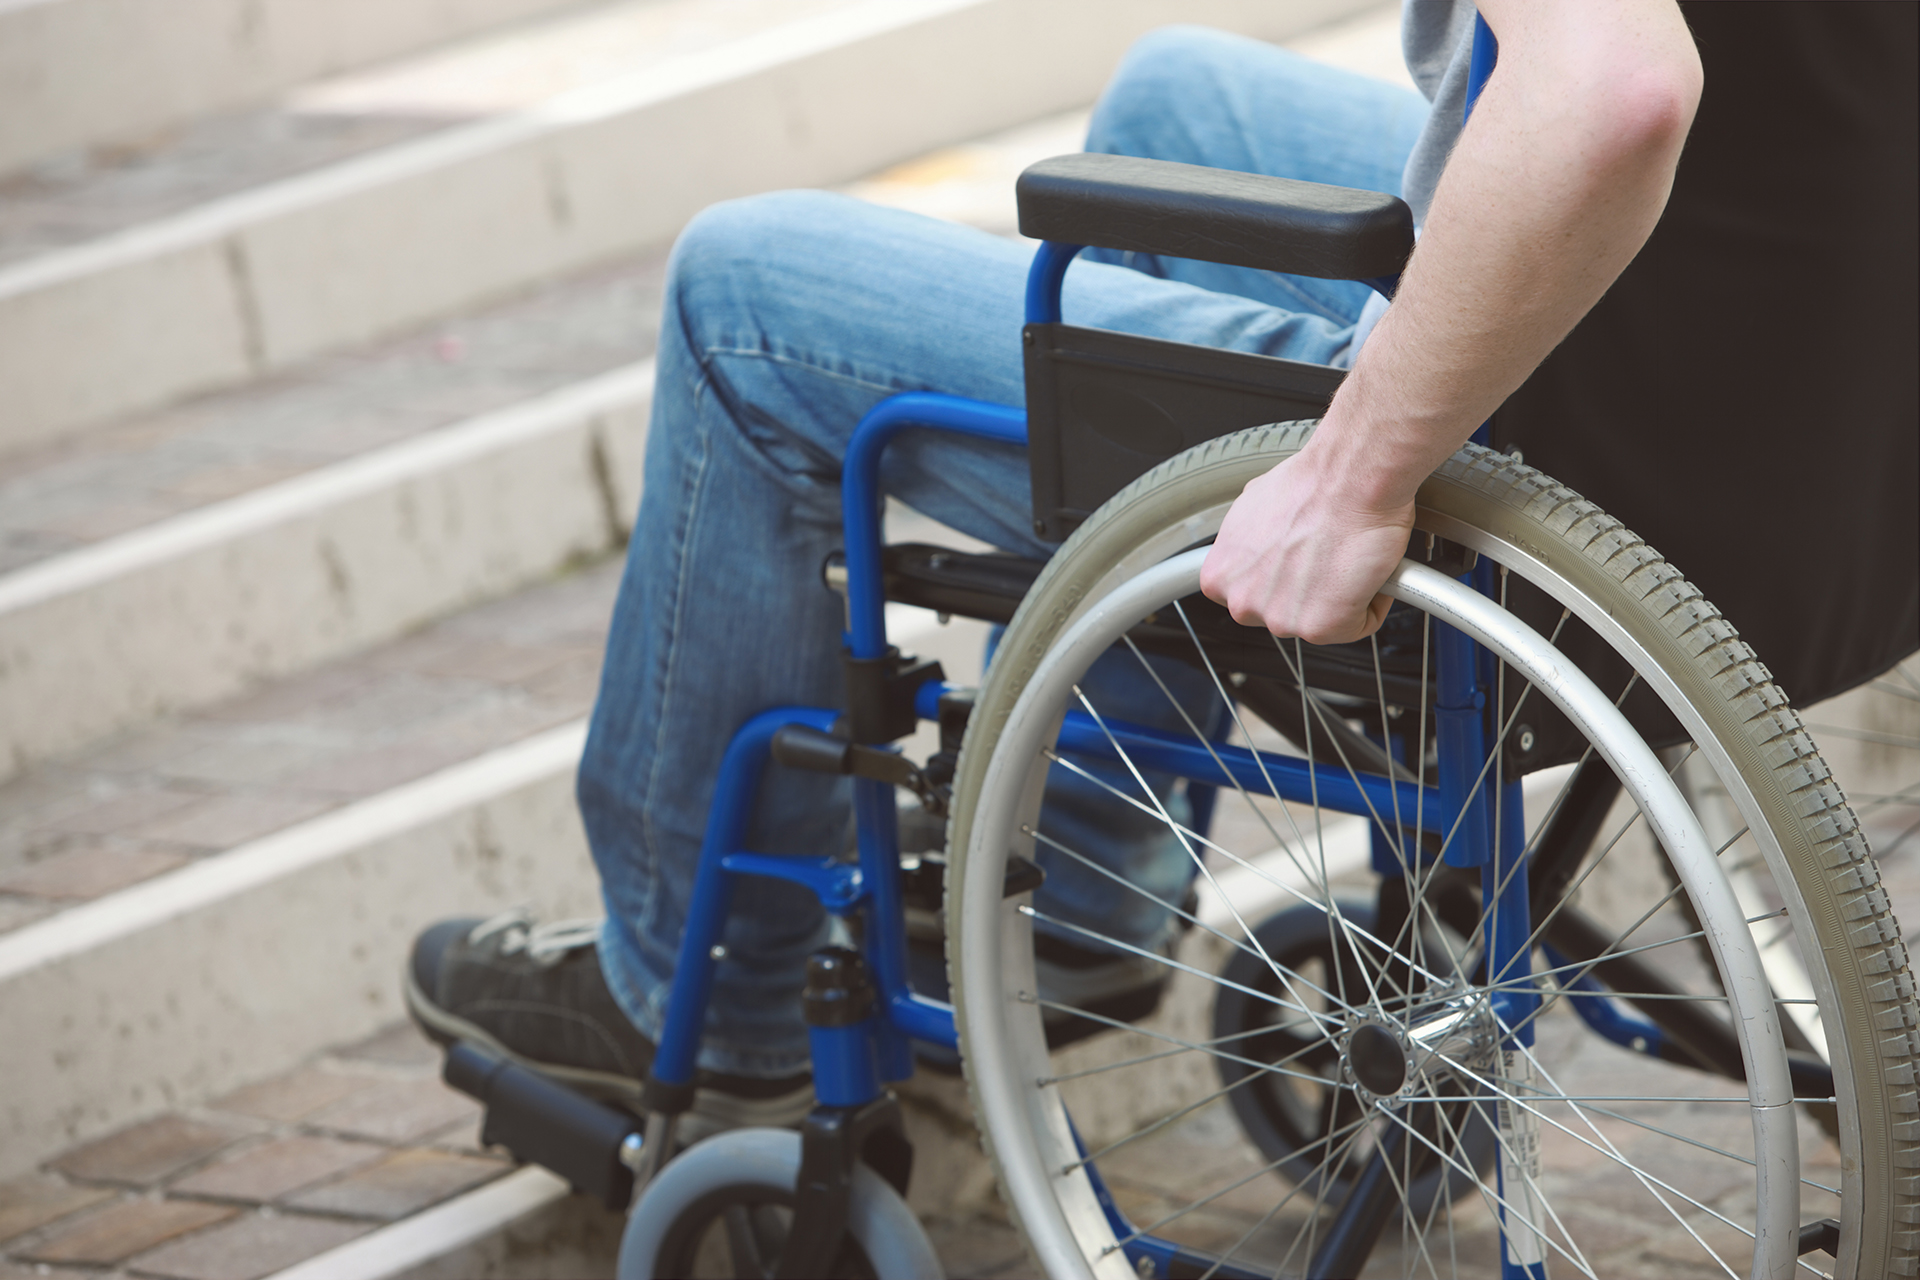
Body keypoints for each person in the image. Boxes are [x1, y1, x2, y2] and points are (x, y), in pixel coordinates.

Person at [400, 0, 1738, 1124]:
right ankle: (1086, 871)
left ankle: (690, 995)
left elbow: (1615, 85)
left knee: (736, 299)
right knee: (1180, 110)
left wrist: (1353, 471)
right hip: (1750, 417)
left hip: (1538, 472)